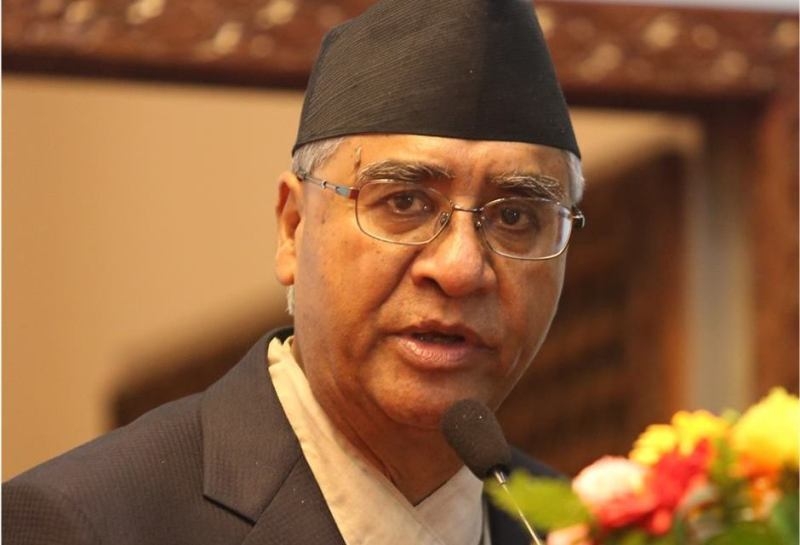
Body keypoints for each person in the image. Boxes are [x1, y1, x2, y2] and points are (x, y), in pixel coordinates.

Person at [2, 0, 585, 543]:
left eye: (514, 216)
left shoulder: (575, 527)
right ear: (292, 226)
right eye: (405, 202)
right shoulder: (85, 522)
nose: (459, 269)